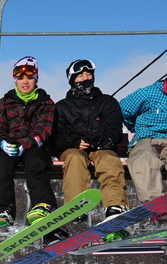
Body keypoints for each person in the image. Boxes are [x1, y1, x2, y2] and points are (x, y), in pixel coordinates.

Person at [0, 56, 65, 245]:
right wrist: (3, 142)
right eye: (20, 77)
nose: (25, 81)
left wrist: (25, 144)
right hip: (10, 145)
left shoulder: (45, 102)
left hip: (34, 146)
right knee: (0, 163)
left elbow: (44, 129)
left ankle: (42, 206)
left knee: (36, 164)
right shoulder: (5, 102)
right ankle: (3, 209)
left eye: (29, 77)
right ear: (15, 79)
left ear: (36, 78)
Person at [54, 59, 128, 220]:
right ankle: (76, 207)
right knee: (75, 159)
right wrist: (74, 142)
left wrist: (105, 141)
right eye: (80, 75)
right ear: (72, 80)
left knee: (108, 160)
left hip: (101, 147)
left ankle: (115, 205)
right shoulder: (61, 107)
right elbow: (55, 136)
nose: (86, 77)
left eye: (89, 74)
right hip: (74, 148)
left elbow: (114, 127)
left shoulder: (107, 102)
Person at [120, 78, 167, 206]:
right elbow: (122, 109)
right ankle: (154, 204)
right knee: (144, 158)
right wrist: (134, 127)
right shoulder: (148, 93)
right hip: (147, 137)